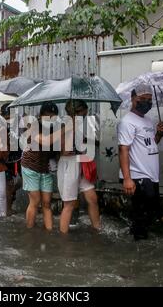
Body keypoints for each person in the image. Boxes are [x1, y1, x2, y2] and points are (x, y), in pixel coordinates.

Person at [118, 84, 163, 240]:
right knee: (142, 213)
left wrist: (159, 135)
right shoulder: (127, 122)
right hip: (137, 174)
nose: (146, 102)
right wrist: (127, 179)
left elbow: (149, 145)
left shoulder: (148, 120)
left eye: (149, 99)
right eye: (142, 99)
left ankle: (138, 239)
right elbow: (123, 149)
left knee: (150, 212)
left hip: (150, 175)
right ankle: (137, 247)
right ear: (133, 99)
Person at [58, 99, 101, 234]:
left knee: (92, 198)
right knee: (69, 204)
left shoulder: (77, 126)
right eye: (83, 114)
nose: (84, 117)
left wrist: (92, 142)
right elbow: (60, 150)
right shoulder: (64, 125)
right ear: (76, 112)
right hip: (68, 165)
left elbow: (80, 140)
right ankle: (63, 241)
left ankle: (97, 229)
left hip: (81, 163)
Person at [21, 101, 59, 230]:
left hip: (44, 168)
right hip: (30, 167)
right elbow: (46, 141)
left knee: (47, 203)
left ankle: (49, 233)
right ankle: (30, 232)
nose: (51, 119)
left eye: (54, 117)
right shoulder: (34, 125)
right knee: (35, 201)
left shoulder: (56, 128)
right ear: (41, 115)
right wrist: (66, 129)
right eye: (48, 116)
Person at [0, 103, 22, 216]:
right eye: (6, 117)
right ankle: (7, 209)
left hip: (18, 157)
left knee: (20, 183)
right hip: (6, 160)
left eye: (10, 117)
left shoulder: (18, 124)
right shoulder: (0, 127)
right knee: (8, 185)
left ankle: (9, 203)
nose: (9, 119)